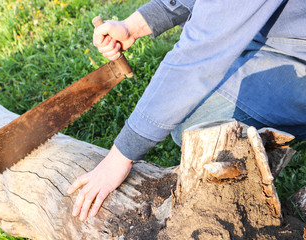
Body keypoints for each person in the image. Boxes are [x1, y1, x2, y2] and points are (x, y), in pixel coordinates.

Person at [67, 0, 306, 221]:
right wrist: (134, 26)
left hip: (296, 56)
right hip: (275, 38)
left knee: (196, 122)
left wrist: (119, 157)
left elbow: (200, 54)